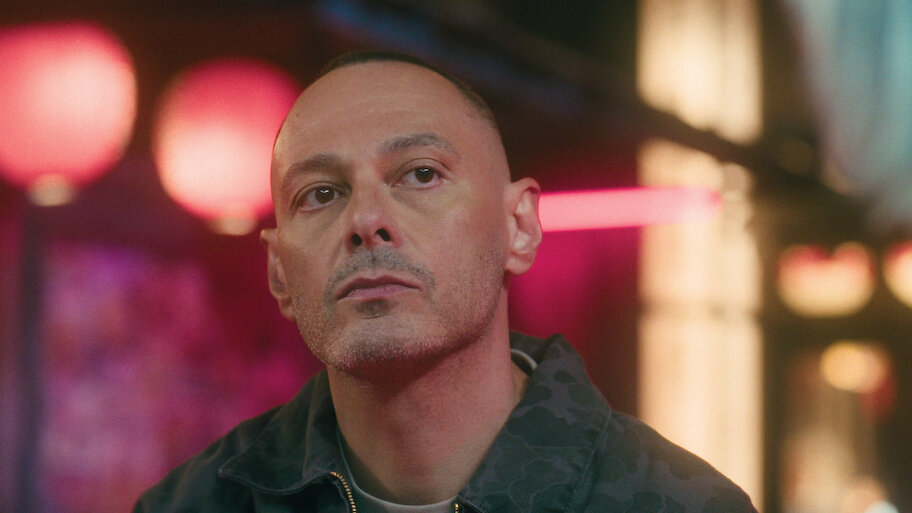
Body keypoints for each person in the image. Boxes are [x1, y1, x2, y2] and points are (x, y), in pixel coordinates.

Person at [134, 50, 758, 513]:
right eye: (321, 193)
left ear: (519, 227)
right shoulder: (196, 505)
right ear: (279, 273)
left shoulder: (673, 504)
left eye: (421, 174)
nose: (366, 221)